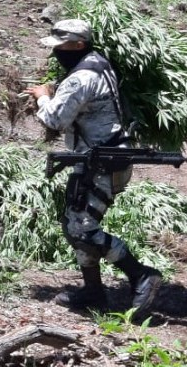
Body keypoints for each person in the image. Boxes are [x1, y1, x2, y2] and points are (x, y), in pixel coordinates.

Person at [25, 19, 162, 321]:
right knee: (75, 222)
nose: (56, 53)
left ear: (78, 45)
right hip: (98, 159)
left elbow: (55, 120)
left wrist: (42, 96)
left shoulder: (81, 77)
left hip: (101, 162)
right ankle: (93, 291)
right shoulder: (100, 64)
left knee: (82, 229)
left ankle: (141, 274)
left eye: (60, 47)